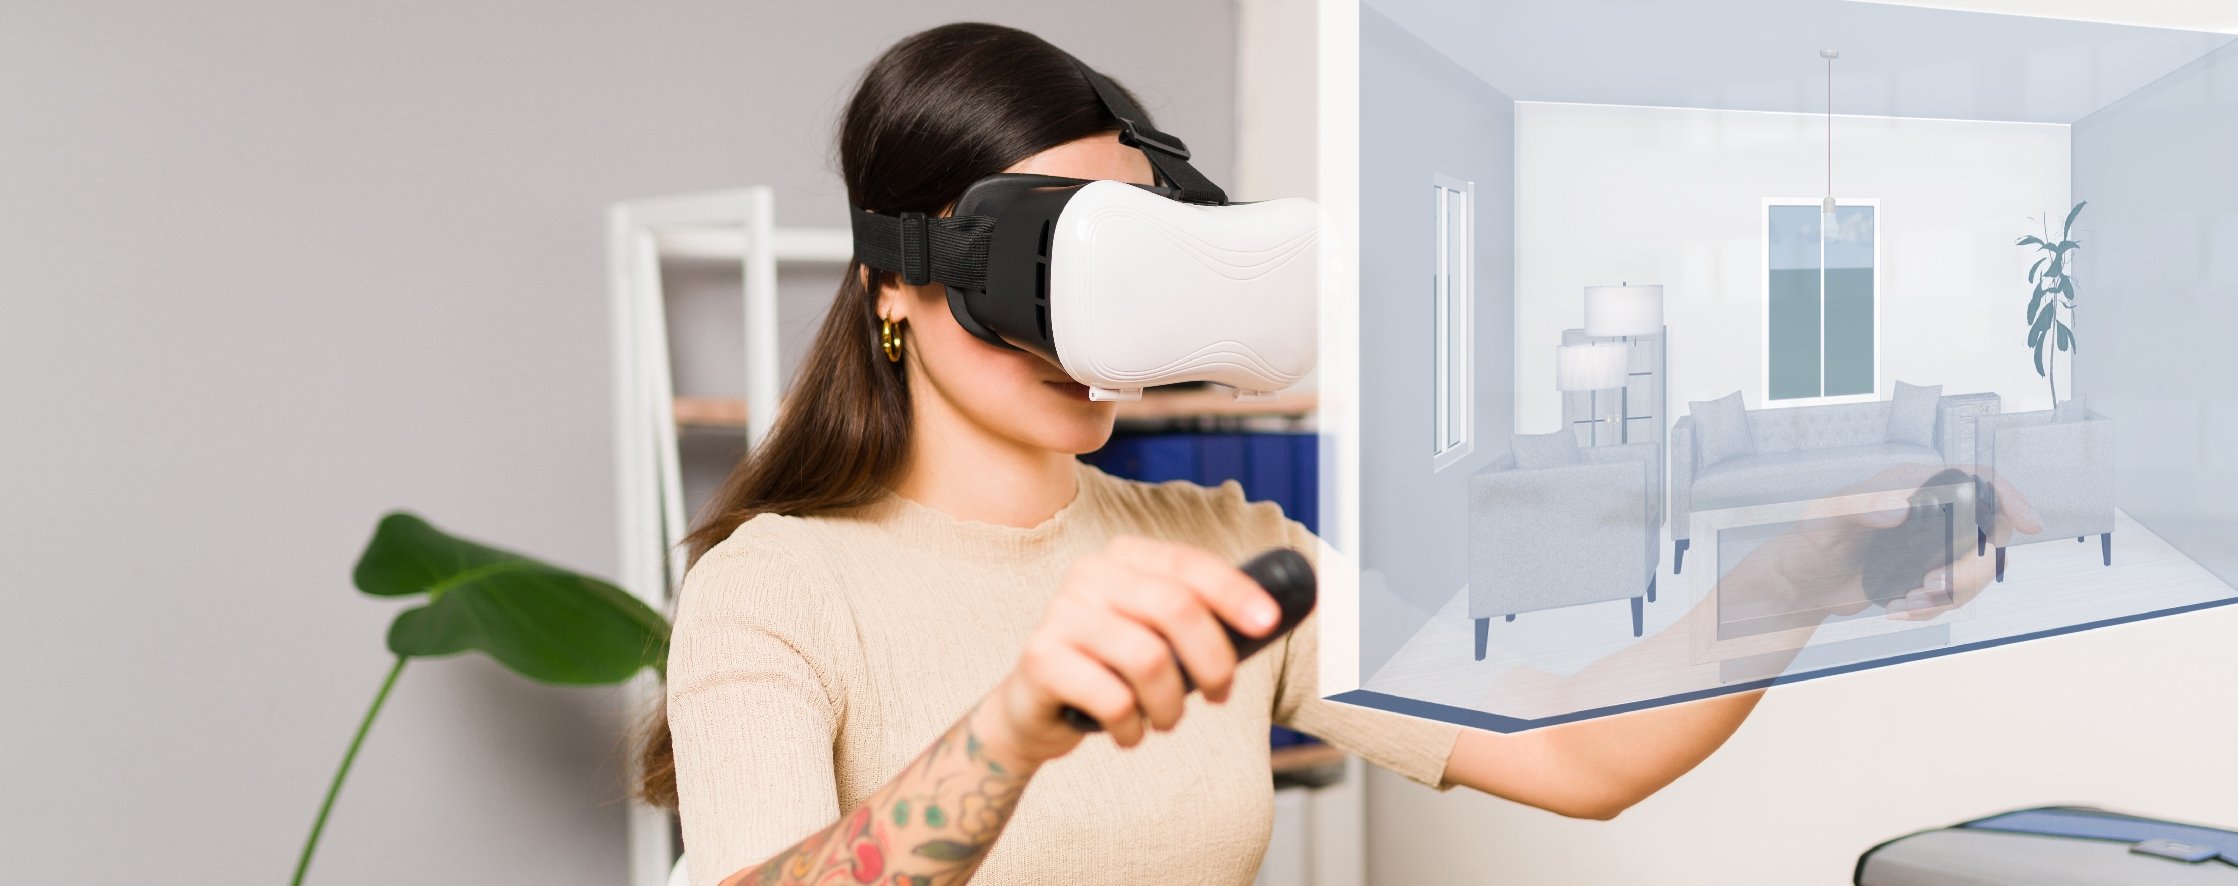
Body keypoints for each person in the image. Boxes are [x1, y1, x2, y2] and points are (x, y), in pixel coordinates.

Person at [634, 22, 2025, 886]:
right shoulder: (775, 589)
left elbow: (1570, 749)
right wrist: (1009, 732)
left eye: (1115, 265)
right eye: (1034, 264)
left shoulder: (1229, 549)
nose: (1079, 329)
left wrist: (1795, 577)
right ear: (895, 279)